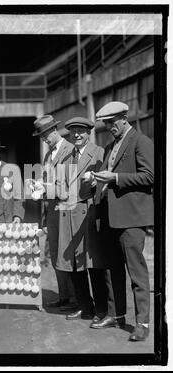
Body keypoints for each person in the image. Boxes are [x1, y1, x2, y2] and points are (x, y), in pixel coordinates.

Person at [90, 101, 154, 342]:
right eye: (106, 124)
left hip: (131, 218)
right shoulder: (110, 147)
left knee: (136, 273)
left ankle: (143, 323)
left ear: (124, 118)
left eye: (112, 122)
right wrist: (97, 179)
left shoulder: (141, 141)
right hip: (110, 217)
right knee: (111, 270)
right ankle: (117, 315)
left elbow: (149, 176)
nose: (109, 127)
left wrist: (115, 177)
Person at [56, 117, 109, 323]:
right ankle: (84, 306)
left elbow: (106, 182)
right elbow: (61, 186)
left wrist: (96, 181)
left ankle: (101, 310)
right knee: (74, 265)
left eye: (81, 131)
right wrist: (46, 189)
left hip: (89, 212)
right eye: (73, 132)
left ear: (88, 132)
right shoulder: (67, 157)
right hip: (69, 213)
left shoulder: (98, 153)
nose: (76, 135)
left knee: (93, 263)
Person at [32, 115, 78, 312]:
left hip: (67, 209)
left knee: (68, 254)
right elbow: (48, 185)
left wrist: (44, 188)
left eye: (45, 136)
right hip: (52, 211)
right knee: (55, 254)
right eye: (42, 137)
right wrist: (38, 187)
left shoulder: (70, 150)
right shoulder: (48, 155)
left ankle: (77, 298)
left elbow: (67, 187)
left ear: (53, 131)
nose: (44, 140)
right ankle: (64, 296)